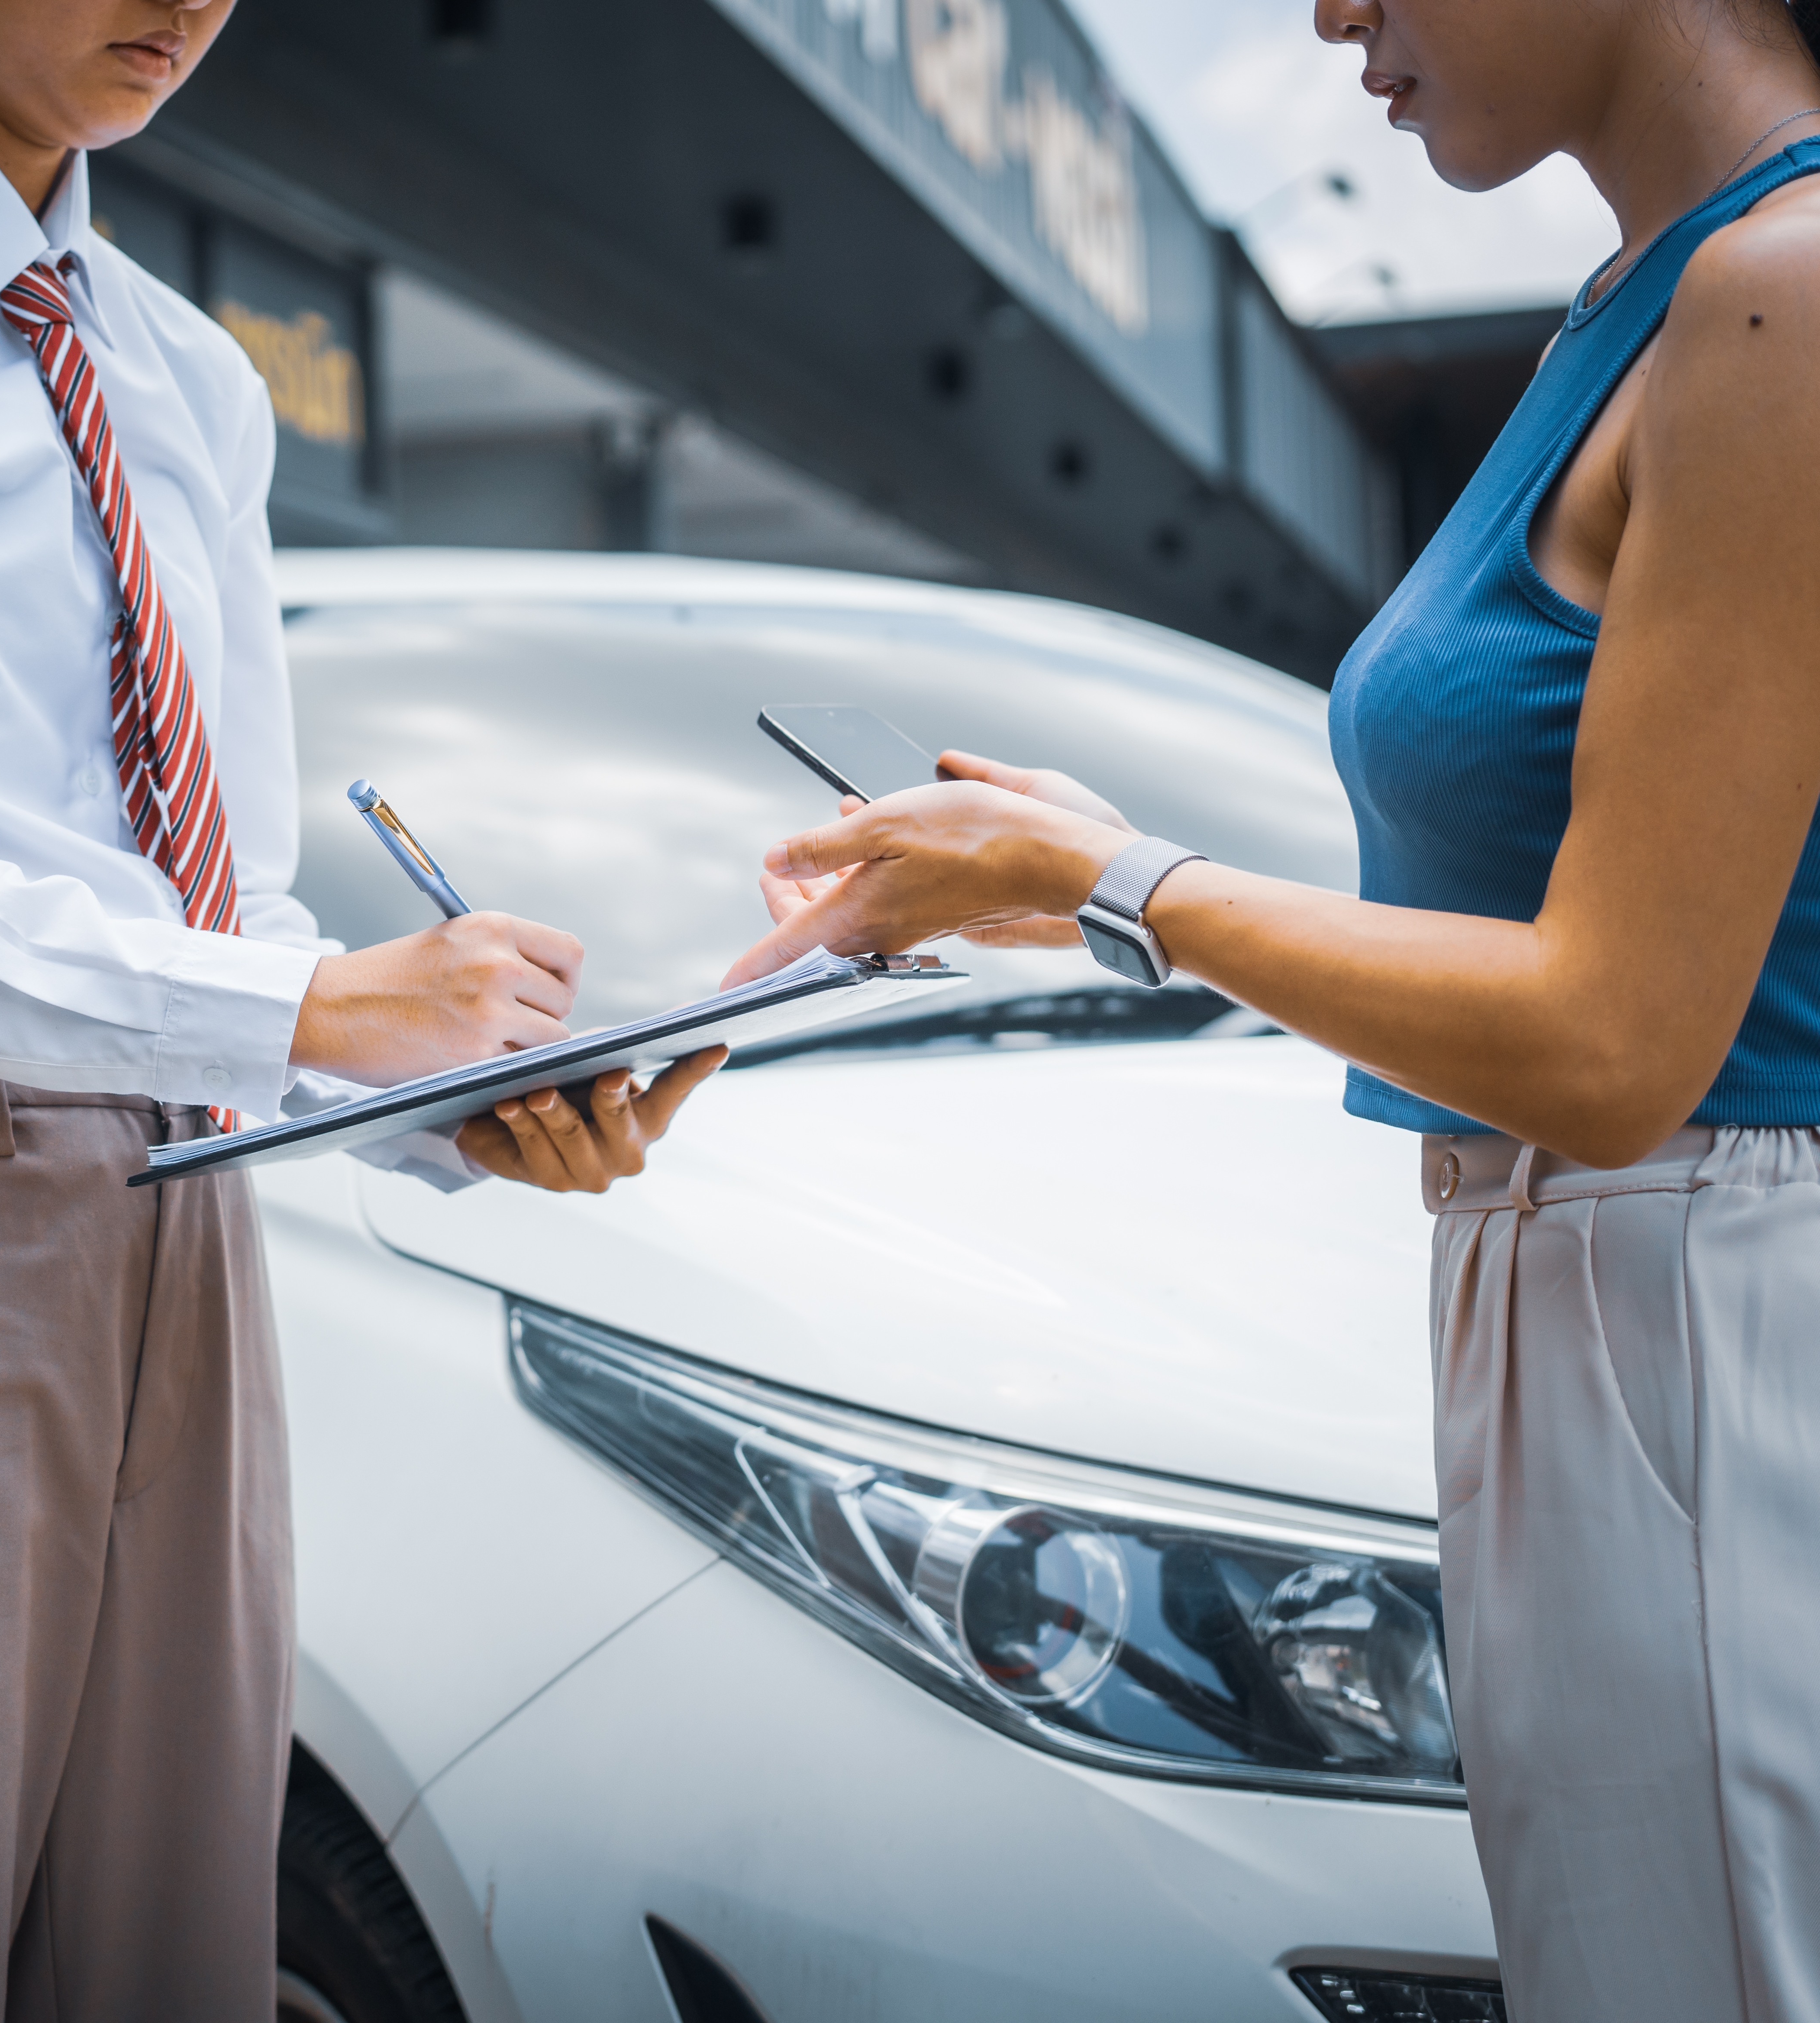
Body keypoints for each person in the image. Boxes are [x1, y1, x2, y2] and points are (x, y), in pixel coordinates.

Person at [0, 0, 718, 2015]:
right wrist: (313, 1002)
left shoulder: (182, 372)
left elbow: (217, 898)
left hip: (180, 1214)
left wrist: (452, 1087)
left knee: (173, 1967)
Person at [719, 1, 1820, 2013]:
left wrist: (1117, 883)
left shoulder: (1781, 289)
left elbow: (1609, 1041)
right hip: (1614, 1300)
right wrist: (1116, 883)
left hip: (1705, 1308)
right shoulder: (1656, 302)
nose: (1329, 14)